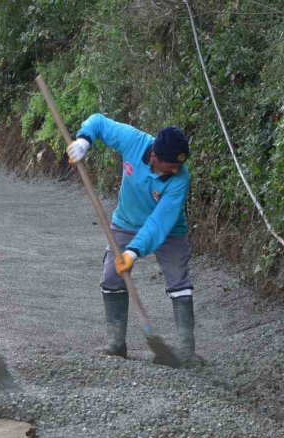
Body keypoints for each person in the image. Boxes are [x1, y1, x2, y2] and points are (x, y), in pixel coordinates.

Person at [66, 113, 199, 365]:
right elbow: (98, 123)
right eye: (171, 166)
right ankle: (116, 344)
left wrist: (134, 251)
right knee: (111, 275)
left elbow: (160, 221)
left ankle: (185, 350)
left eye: (179, 165)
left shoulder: (180, 179)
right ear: (155, 158)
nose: (176, 170)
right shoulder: (133, 141)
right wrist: (84, 141)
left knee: (178, 280)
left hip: (168, 230)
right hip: (126, 223)